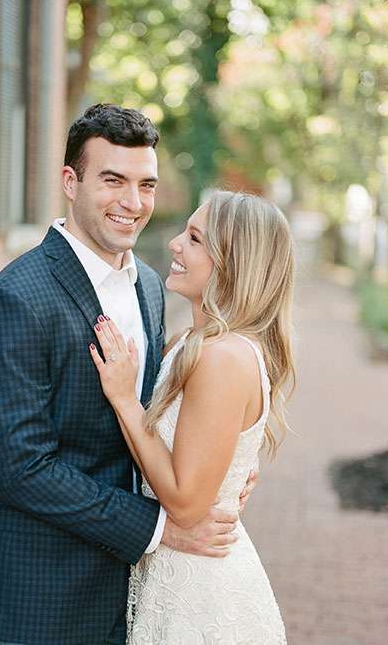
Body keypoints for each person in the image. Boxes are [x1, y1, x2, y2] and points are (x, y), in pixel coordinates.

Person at [0, 104, 254, 645]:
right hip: (39, 591)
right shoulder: (14, 300)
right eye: (113, 181)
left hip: (132, 588)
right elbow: (24, 469)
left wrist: (215, 470)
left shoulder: (150, 285)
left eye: (146, 185)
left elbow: (153, 414)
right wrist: (161, 528)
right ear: (70, 181)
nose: (133, 203)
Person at [91, 190, 294, 644]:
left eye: (196, 239)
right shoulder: (190, 341)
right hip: (174, 572)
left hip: (202, 594)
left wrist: (125, 402)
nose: (175, 244)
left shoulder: (221, 357)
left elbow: (185, 503)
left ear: (232, 262)